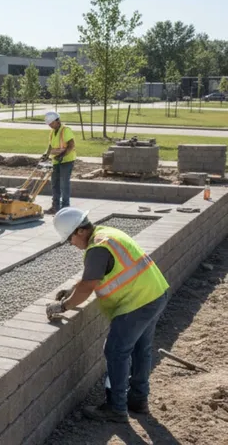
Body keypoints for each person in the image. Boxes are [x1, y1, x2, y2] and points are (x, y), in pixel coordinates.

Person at [46, 208, 170, 423]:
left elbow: (88, 287)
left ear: (81, 231)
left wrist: (63, 306)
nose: (71, 244)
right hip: (155, 294)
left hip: (136, 303)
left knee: (115, 351)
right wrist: (72, 289)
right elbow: (95, 276)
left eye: (70, 239)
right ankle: (138, 400)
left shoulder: (97, 248)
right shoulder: (107, 234)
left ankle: (116, 407)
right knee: (141, 350)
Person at [42, 111, 76, 215]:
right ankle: (55, 207)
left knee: (64, 184)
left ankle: (65, 208)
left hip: (67, 161)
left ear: (57, 121)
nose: (50, 126)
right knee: (55, 184)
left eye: (51, 123)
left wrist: (62, 156)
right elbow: (50, 145)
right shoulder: (52, 132)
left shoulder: (66, 130)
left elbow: (71, 145)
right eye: (49, 124)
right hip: (56, 161)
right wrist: (46, 155)